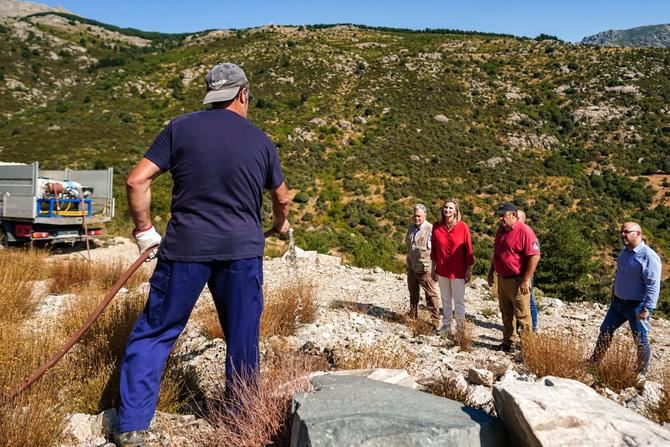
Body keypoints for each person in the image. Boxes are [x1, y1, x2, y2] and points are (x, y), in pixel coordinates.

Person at [115, 63, 291, 447]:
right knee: (243, 337)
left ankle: (131, 425)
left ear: (212, 95)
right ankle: (243, 419)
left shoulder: (180, 128)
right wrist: (280, 225)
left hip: (185, 249)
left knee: (158, 331)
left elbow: (136, 180)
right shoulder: (262, 142)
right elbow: (281, 196)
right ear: (243, 93)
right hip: (242, 254)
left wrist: (144, 232)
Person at [590, 222, 662, 387]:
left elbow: (653, 285)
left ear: (638, 234)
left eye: (626, 232)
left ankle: (641, 373)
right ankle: (594, 362)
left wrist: (648, 308)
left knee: (640, 339)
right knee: (605, 331)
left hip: (637, 306)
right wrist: (613, 295)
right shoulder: (624, 253)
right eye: (622, 232)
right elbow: (619, 276)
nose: (623, 235)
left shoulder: (648, 256)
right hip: (618, 304)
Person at [487, 202, 540, 352]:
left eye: (503, 215)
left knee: (523, 315)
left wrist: (526, 280)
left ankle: (527, 349)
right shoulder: (501, 231)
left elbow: (534, 256)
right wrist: (491, 272)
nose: (500, 219)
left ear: (513, 215)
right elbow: (497, 252)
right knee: (506, 313)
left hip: (518, 280)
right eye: (499, 216)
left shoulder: (525, 231)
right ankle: (507, 343)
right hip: (502, 279)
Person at [431, 199, 474, 336]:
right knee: (445, 299)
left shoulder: (463, 227)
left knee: (459, 301)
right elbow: (434, 250)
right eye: (445, 207)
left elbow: (468, 249)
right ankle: (447, 326)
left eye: (450, 208)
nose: (447, 210)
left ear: (456, 211)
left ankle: (461, 330)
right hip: (442, 269)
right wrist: (433, 269)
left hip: (458, 271)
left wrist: (468, 270)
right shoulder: (436, 226)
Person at [405, 204, 441, 330]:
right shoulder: (411, 228)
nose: (416, 218)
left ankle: (435, 321)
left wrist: (436, 269)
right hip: (412, 266)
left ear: (425, 215)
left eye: (419, 216)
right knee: (413, 291)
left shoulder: (431, 229)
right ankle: (413, 314)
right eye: (414, 215)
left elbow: (437, 250)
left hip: (426, 268)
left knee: (430, 295)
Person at [516, 209, 538, 332]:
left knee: (529, 301)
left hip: (525, 274)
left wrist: (527, 278)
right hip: (514, 275)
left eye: (518, 218)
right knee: (517, 302)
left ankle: (532, 327)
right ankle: (519, 326)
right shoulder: (512, 232)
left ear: (523, 220)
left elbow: (534, 256)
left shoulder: (527, 233)